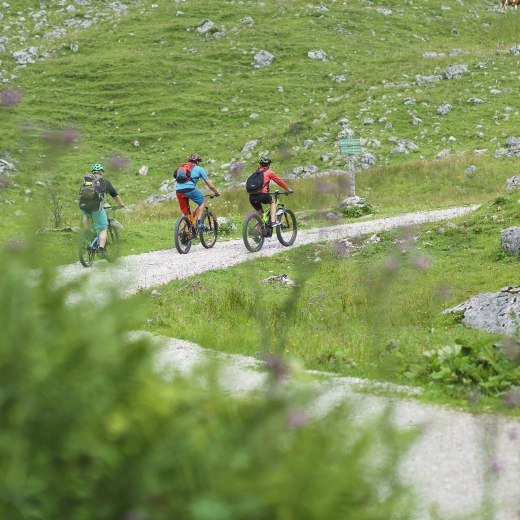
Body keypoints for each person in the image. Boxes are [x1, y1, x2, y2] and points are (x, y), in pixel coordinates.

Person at [78, 163, 125, 257]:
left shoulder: (86, 181)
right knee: (103, 228)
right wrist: (121, 205)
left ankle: (87, 233)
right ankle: (101, 250)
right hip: (96, 207)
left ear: (93, 172)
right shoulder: (105, 182)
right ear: (101, 172)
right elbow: (115, 195)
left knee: (87, 213)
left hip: (83, 206)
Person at [175, 153, 220, 228]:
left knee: (185, 214)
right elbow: (210, 185)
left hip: (178, 190)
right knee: (202, 200)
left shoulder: (181, 168)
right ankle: (199, 222)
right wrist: (216, 192)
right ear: (197, 162)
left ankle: (182, 234)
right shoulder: (199, 169)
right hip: (189, 189)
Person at [248, 157, 292, 227]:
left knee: (260, 214)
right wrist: (288, 189)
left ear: (260, 165)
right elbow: (279, 181)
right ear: (268, 165)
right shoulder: (269, 172)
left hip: (251, 197)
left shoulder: (255, 173)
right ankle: (273, 221)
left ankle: (258, 232)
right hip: (262, 195)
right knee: (272, 201)